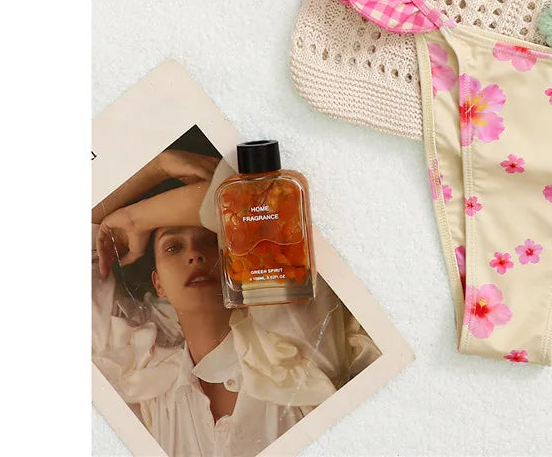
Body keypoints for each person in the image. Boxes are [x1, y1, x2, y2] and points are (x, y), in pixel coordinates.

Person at [92, 147, 380, 457]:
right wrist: (157, 166)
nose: (195, 255)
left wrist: (135, 218)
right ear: (158, 283)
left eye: (212, 240)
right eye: (173, 247)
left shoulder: (294, 346)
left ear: (240, 258)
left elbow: (262, 208)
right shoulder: (146, 383)